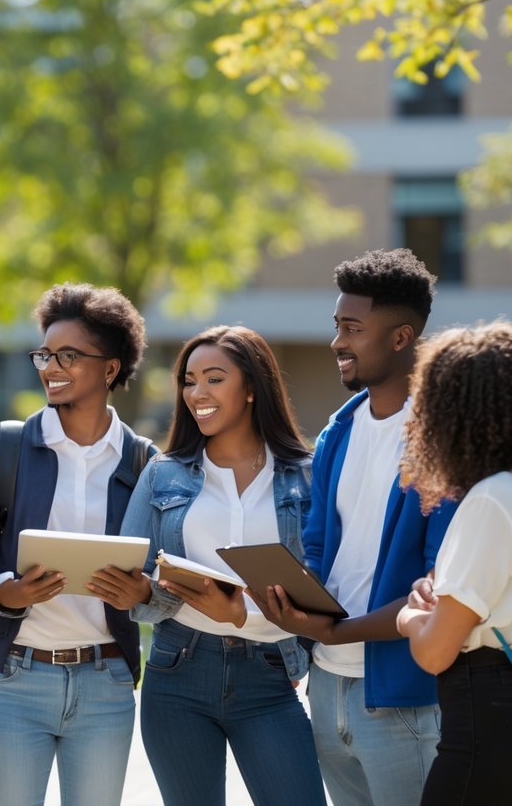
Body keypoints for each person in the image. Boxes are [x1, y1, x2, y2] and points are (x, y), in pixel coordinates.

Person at [257, 248, 455, 806]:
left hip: (402, 696)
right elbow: (319, 545)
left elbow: (441, 586)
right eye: (336, 326)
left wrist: (338, 632)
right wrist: (296, 606)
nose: (337, 342)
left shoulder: (442, 439)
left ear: (400, 337)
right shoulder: (337, 433)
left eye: (352, 328)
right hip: (328, 683)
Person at [0, 283, 154, 806]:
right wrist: (3, 591)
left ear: (109, 369)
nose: (49, 366)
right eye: (45, 353)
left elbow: (164, 571)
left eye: (69, 355)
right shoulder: (4, 450)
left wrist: (142, 592)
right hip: (15, 677)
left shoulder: (145, 464)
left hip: (106, 682)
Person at [118, 325, 327, 806]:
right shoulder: (163, 472)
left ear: (252, 388)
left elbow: (321, 586)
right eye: (189, 381)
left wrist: (239, 615)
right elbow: (139, 573)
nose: (197, 393)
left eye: (214, 378)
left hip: (271, 676)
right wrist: (140, 594)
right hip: (178, 673)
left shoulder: (307, 474)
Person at [396, 322, 512, 805]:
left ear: (459, 414)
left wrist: (409, 617)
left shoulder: (491, 500)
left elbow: (435, 652)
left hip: (483, 729)